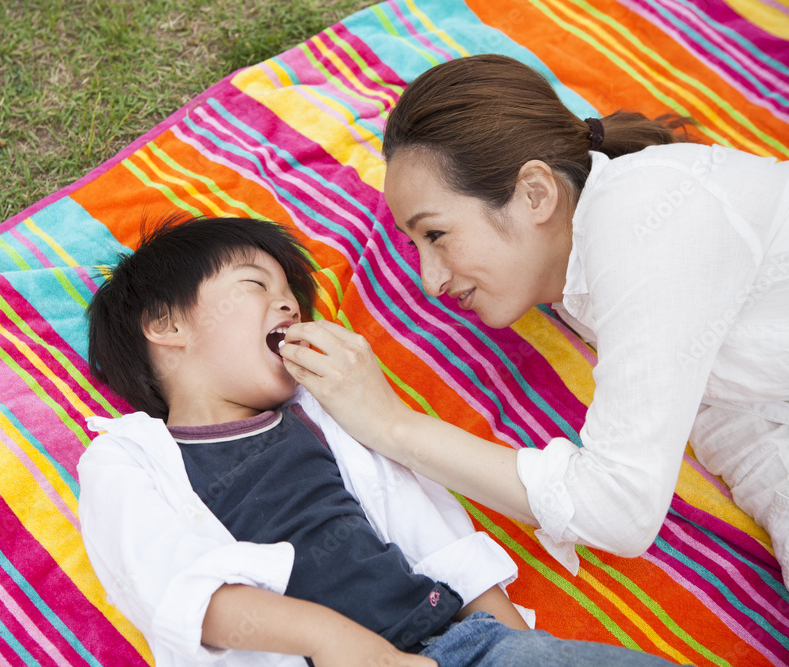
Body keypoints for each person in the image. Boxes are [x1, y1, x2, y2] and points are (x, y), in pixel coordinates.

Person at [278, 54, 789, 585]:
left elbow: (619, 508)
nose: (430, 280)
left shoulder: (644, 215)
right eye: (414, 245)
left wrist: (391, 424)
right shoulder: (580, 287)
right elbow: (728, 411)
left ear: (535, 194)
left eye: (435, 234)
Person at [77, 214, 675, 667]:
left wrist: (519, 645)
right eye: (257, 284)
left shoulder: (325, 414)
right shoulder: (126, 458)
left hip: (456, 645)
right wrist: (349, 648)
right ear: (166, 324)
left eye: (292, 294)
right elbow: (178, 594)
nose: (287, 302)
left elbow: (435, 535)